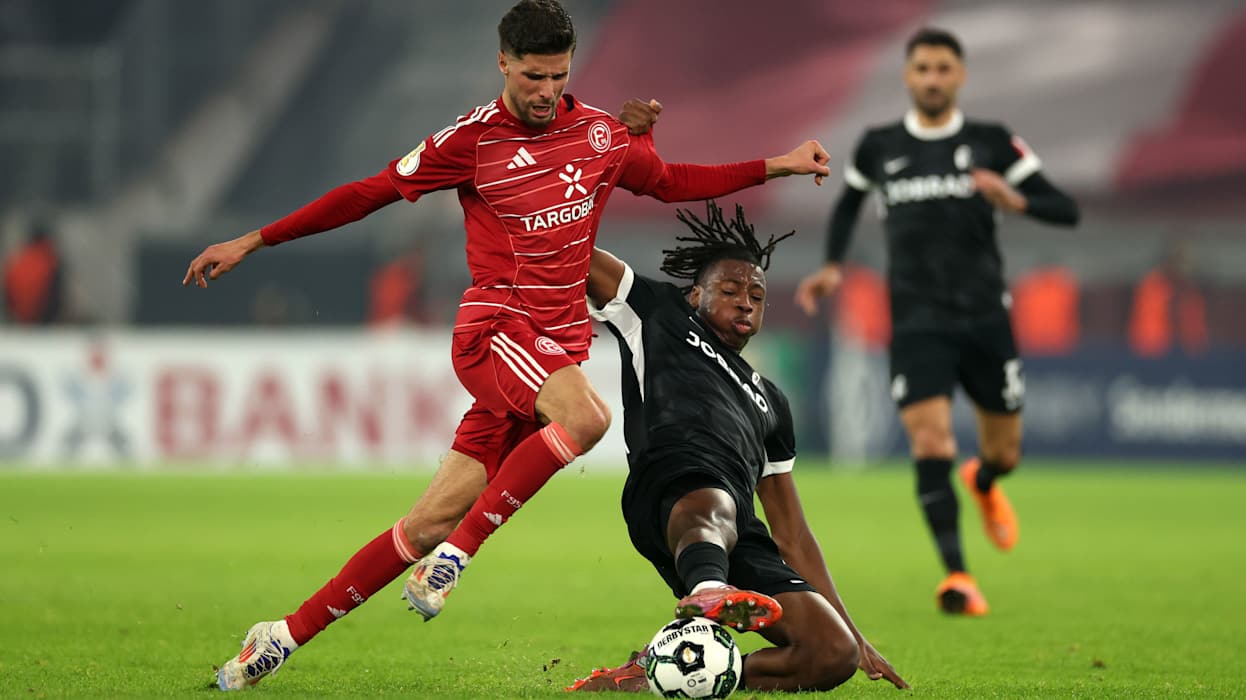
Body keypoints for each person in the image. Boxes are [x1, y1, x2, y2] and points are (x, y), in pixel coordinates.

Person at [184, 1, 830, 690]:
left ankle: (280, 636)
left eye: (557, 76)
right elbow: (366, 193)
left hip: (550, 356)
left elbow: (672, 182)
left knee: (426, 521)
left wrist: (779, 165)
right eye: (531, 76)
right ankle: (459, 559)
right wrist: (256, 239)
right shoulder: (470, 142)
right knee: (587, 419)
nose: (545, 92)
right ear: (502, 62)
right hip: (497, 330)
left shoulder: (601, 136)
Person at [566, 202, 907, 693]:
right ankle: (707, 590)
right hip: (669, 484)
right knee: (715, 499)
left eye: (757, 295)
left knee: (831, 654)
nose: (745, 301)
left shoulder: (771, 399)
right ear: (695, 294)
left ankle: (667, 673)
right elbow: (577, 255)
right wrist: (543, 202)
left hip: (736, 529)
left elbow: (791, 533)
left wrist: (855, 633)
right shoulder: (660, 314)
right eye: (729, 290)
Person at [794, 27, 1079, 616]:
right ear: (907, 75)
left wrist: (1015, 200)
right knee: (931, 441)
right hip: (918, 322)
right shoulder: (879, 146)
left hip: (984, 319)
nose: (931, 78)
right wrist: (829, 267)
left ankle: (986, 482)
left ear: (960, 76)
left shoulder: (993, 142)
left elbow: (1066, 209)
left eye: (942, 69)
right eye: (922, 68)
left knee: (1005, 452)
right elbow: (848, 201)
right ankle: (958, 576)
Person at [1128, 241, 1207, 358]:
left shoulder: (1191, 291)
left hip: (1187, 356)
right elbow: (1147, 329)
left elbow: (1196, 333)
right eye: (1182, 262)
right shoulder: (1152, 286)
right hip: (1151, 353)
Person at [3, 218, 64, 324]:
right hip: (41, 319)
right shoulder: (49, 259)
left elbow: (7, 292)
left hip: (18, 318)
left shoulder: (18, 259)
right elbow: (55, 296)